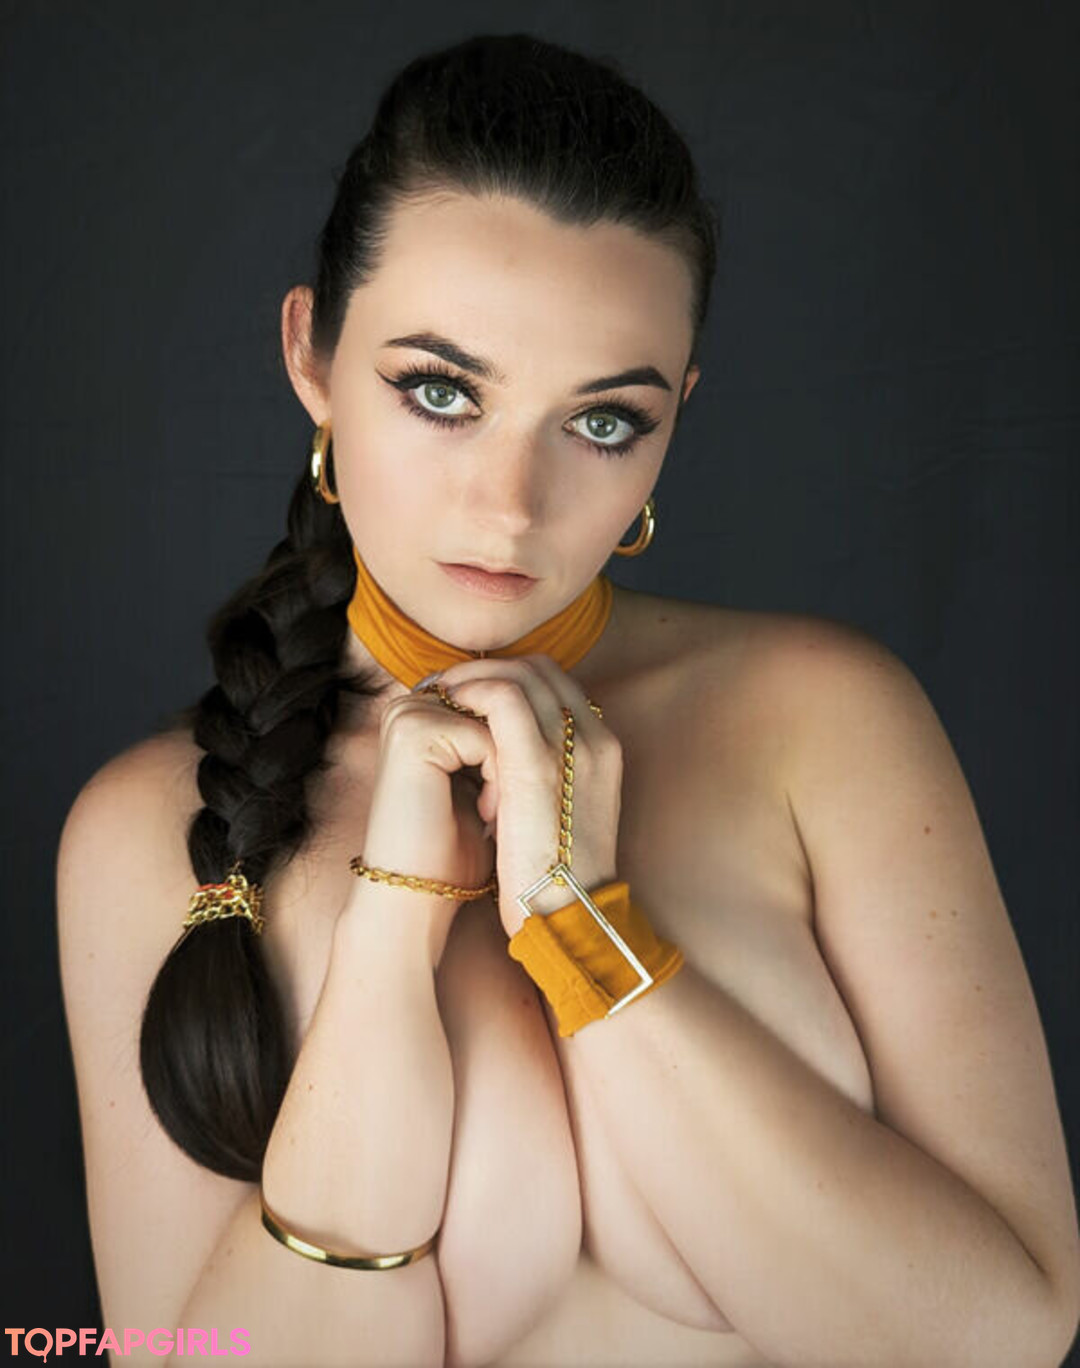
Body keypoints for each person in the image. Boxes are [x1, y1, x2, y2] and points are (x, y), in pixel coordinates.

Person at [56, 31, 1079, 1368]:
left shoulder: (823, 721)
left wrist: (579, 921)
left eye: (602, 421)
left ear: (676, 415)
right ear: (312, 354)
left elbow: (1005, 1335)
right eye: (441, 392)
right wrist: (391, 930)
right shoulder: (156, 828)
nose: (511, 506)